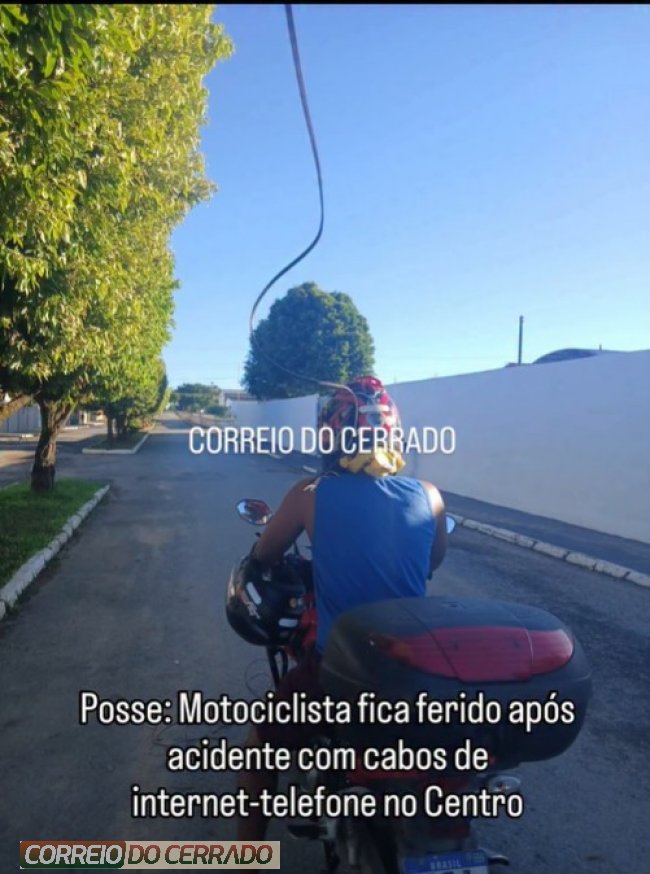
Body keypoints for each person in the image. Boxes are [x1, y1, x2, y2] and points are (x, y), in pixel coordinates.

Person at [236, 375, 447, 840]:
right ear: (393, 433)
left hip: (340, 669)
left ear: (330, 435)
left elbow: (264, 556)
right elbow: (433, 561)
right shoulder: (429, 495)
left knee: (259, 749)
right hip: (415, 669)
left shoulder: (311, 494)